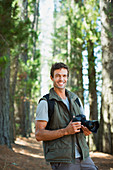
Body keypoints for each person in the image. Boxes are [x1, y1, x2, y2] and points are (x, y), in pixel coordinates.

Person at [35, 62, 98, 170]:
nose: (61, 79)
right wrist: (65, 131)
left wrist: (86, 131)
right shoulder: (46, 103)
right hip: (63, 160)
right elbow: (39, 134)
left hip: (84, 157)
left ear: (67, 77)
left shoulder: (76, 100)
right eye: (58, 76)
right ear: (52, 78)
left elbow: (82, 127)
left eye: (64, 76)